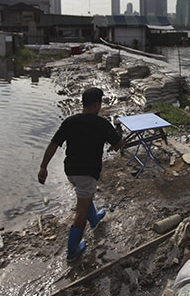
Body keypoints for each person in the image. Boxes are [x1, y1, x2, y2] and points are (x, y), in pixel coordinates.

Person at [38, 87, 125, 261]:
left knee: (85, 194)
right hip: (87, 172)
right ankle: (73, 251)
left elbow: (53, 144)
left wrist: (43, 167)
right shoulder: (101, 124)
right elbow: (117, 145)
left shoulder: (70, 121)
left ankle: (94, 219)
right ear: (97, 104)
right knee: (81, 212)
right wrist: (118, 138)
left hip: (70, 171)